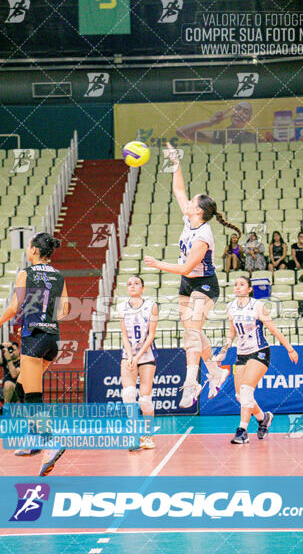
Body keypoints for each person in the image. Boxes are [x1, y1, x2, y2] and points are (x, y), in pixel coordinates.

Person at [144, 143, 241, 407]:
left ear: (199, 210)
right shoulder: (190, 220)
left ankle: (191, 383)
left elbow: (187, 268)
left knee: (191, 333)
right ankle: (215, 371)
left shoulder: (203, 235)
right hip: (188, 284)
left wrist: (158, 264)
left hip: (205, 284)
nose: (188, 202)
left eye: (193, 201)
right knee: (192, 332)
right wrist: (175, 162)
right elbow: (178, 189)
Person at [0, 232, 69, 476]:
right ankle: (34, 441)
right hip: (52, 340)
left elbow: (15, 307)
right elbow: (64, 309)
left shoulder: (26, 273)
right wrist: (47, 318)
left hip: (33, 338)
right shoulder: (59, 275)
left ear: (34, 250)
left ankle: (50, 443)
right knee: (23, 387)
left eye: (28, 247)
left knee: (34, 398)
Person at [214, 276, 298, 444]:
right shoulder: (231, 307)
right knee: (240, 395)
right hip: (241, 354)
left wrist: (289, 348)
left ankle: (242, 431)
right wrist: (223, 351)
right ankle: (263, 418)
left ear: (249, 289)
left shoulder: (257, 306)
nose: (237, 287)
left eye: (242, 284)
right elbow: (232, 332)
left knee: (246, 390)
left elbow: (273, 329)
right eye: (236, 284)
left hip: (259, 351)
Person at [118, 275, 158, 450]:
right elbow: (124, 335)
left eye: (136, 283)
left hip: (147, 355)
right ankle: (134, 435)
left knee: (144, 399)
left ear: (143, 288)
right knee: (128, 394)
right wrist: (130, 355)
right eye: (129, 284)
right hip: (128, 354)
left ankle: (148, 436)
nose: (132, 286)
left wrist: (138, 355)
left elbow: (151, 335)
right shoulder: (121, 307)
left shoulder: (151, 306)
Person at [176, 102, 257, 145]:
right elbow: (181, 132)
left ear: (249, 119)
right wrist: (209, 123)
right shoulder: (220, 135)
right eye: (237, 109)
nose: (239, 113)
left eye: (245, 112)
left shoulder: (253, 138)